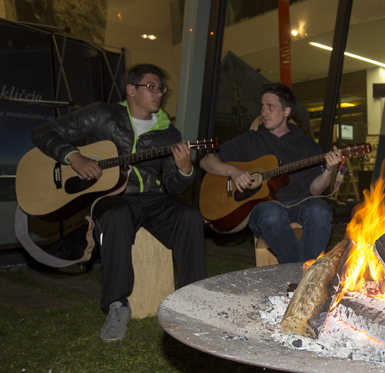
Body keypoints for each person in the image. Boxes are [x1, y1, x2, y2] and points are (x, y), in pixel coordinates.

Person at [31, 64, 207, 341]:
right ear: (131, 90)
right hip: (111, 197)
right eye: (151, 87)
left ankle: (193, 300)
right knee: (115, 215)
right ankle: (117, 305)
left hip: (152, 196)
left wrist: (185, 170)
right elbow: (43, 132)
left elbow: (173, 186)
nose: (159, 93)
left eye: (161, 88)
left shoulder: (168, 133)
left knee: (190, 216)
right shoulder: (102, 115)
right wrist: (73, 157)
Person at [200, 82, 342, 263]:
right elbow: (206, 161)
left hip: (299, 204)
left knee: (320, 210)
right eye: (262, 106)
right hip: (263, 208)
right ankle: (302, 272)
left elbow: (315, 190)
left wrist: (329, 170)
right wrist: (233, 171)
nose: (264, 112)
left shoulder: (307, 146)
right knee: (272, 212)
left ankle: (304, 271)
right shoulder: (250, 140)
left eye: (270, 107)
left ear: (286, 111)